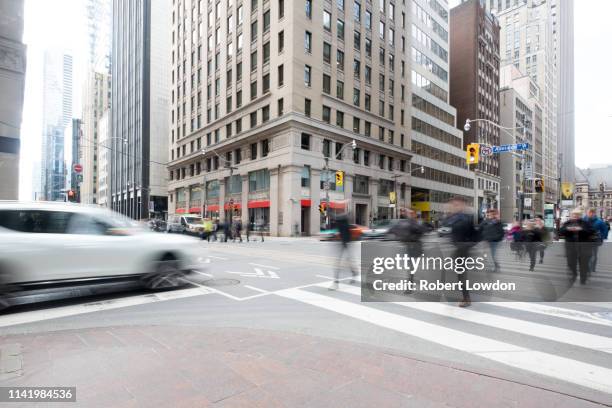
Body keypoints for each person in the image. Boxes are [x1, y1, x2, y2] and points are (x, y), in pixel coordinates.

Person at [443, 197, 478, 307]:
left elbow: (475, 234)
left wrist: (467, 245)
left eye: (456, 204)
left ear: (463, 205)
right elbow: (446, 224)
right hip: (460, 248)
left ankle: (466, 298)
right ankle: (465, 296)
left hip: (462, 249)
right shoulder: (458, 216)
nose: (454, 206)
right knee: (458, 272)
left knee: (460, 273)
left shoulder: (464, 217)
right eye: (453, 204)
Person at [388, 209, 428, 293]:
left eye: (409, 213)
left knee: (411, 267)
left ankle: (410, 287)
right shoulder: (404, 222)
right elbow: (393, 230)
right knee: (410, 267)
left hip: (414, 247)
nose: (405, 214)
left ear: (413, 215)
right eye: (405, 212)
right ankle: (411, 284)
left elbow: (421, 231)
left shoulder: (415, 223)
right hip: (408, 247)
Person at [560, 209, 595, 284]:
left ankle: (583, 278)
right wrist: (567, 229)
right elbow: (561, 232)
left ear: (580, 215)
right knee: (571, 263)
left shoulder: (585, 223)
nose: (575, 216)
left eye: (577, 214)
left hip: (584, 248)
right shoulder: (567, 223)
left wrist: (581, 230)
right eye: (574, 214)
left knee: (583, 264)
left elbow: (591, 231)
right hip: (571, 248)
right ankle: (574, 275)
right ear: (571, 215)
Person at [330, 213, 357, 290]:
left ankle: (336, 282)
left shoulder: (341, 225)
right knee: (346, 262)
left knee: (339, 263)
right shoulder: (344, 225)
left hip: (344, 244)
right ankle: (353, 272)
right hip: (345, 244)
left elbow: (344, 235)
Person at [584, 208, 608, 273]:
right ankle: (588, 268)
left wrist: (602, 238)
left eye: (592, 213)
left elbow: (605, 229)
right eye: (589, 213)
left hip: (595, 240)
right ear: (587, 213)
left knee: (594, 255)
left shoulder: (599, 221)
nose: (590, 214)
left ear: (594, 213)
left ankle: (593, 268)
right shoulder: (584, 220)